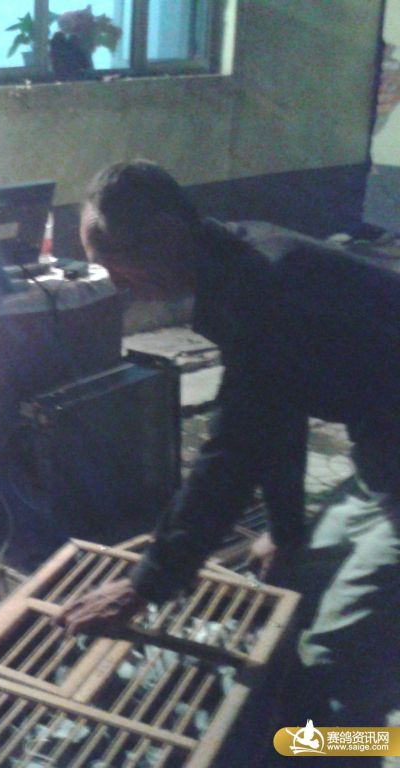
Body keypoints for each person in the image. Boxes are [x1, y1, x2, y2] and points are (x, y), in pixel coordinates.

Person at [53, 160, 400, 732]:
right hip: (383, 449)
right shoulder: (235, 261)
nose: (116, 283)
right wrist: (285, 530)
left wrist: (145, 585)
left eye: (115, 263)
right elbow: (278, 411)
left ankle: (347, 748)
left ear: (167, 233)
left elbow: (232, 451)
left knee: (339, 656)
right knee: (307, 580)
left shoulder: (264, 284)